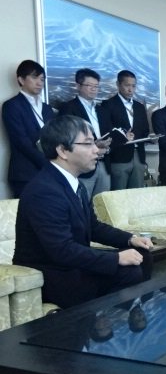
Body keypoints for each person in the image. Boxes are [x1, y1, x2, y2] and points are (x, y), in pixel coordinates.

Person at [12, 115, 153, 309]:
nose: (96, 149)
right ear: (63, 150)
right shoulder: (44, 191)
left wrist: (130, 239)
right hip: (51, 275)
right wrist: (116, 258)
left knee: (142, 255)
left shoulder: (73, 183)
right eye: (88, 144)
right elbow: (62, 250)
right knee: (129, 272)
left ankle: (127, 316)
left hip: (72, 265)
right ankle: (100, 320)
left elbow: (93, 227)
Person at [2, 59, 56, 197]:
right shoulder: (11, 106)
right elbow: (21, 141)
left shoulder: (47, 108)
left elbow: (55, 136)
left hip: (50, 172)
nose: (39, 83)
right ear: (21, 79)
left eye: (42, 79)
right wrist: (47, 163)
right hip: (25, 173)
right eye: (34, 77)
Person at [58, 68, 112, 198]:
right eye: (89, 85)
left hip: (104, 164)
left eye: (96, 86)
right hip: (82, 166)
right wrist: (94, 145)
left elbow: (109, 134)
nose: (93, 89)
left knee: (103, 204)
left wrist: (106, 148)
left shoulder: (102, 110)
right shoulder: (68, 108)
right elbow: (67, 138)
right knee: (81, 202)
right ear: (78, 86)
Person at [101, 70, 150, 190]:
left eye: (133, 86)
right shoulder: (108, 105)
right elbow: (106, 131)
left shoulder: (139, 107)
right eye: (127, 85)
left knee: (136, 194)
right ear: (118, 84)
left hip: (138, 156)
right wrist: (123, 136)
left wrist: (144, 136)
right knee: (119, 194)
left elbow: (145, 129)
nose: (130, 89)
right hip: (119, 157)